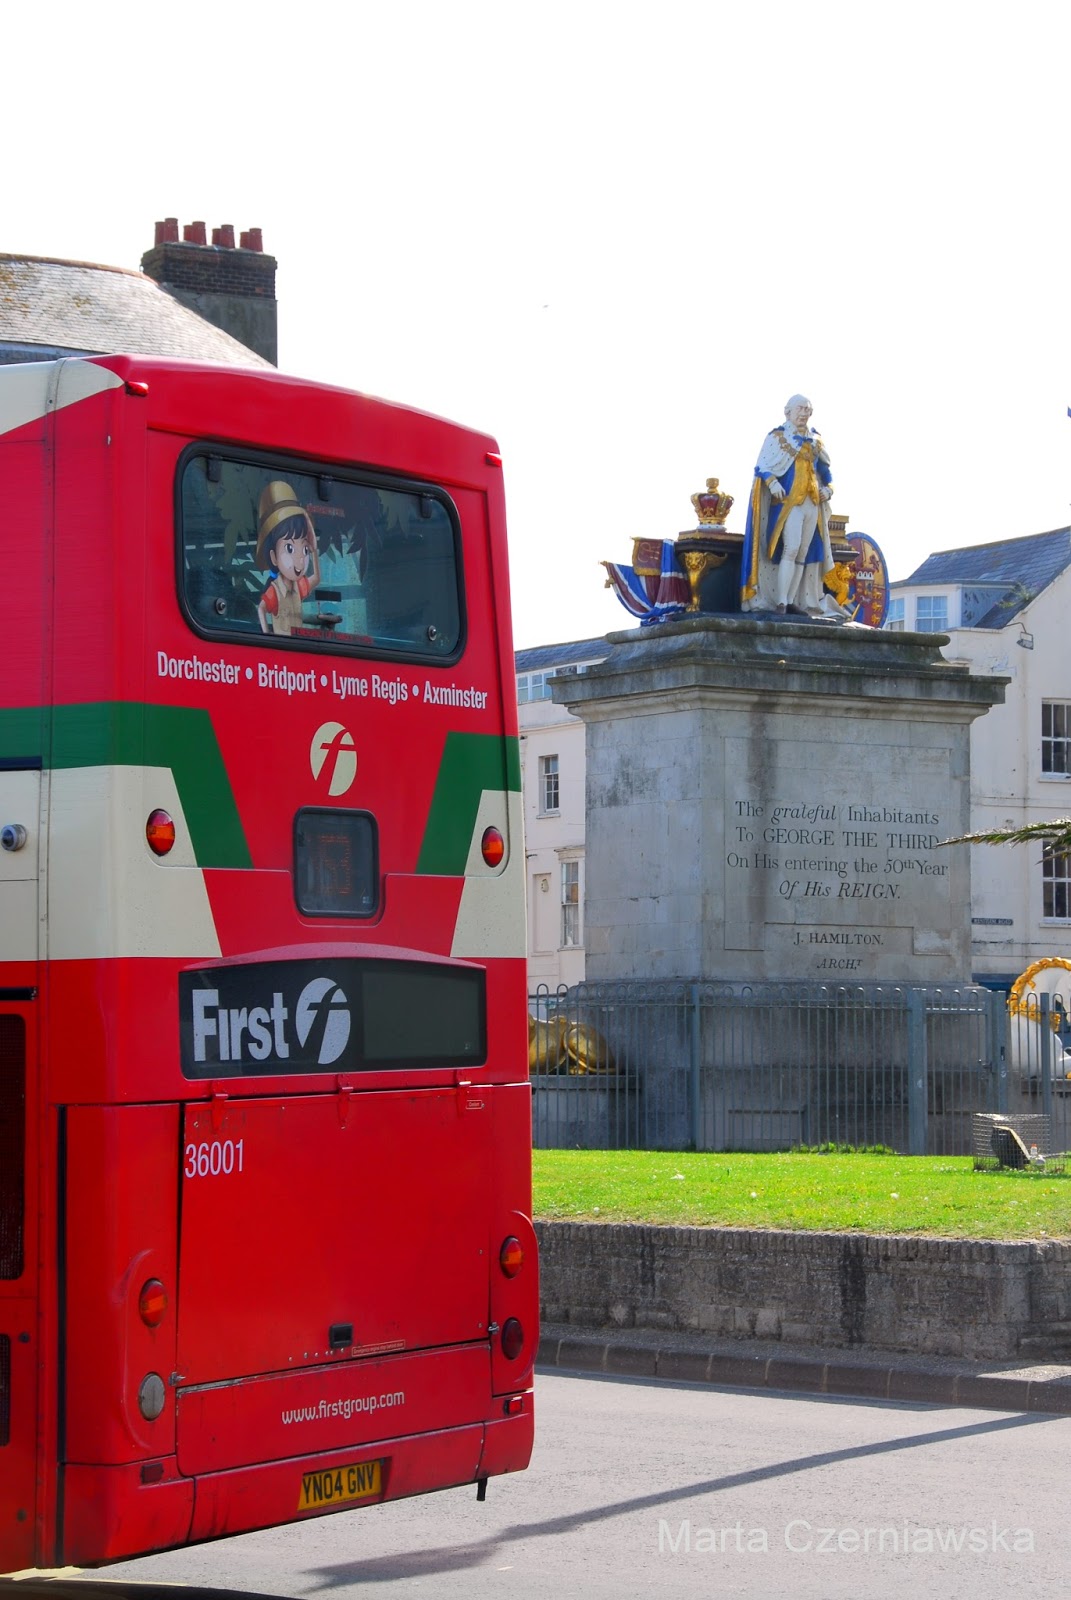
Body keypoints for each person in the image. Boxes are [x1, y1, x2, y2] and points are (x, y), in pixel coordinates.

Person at [741, 395, 841, 617]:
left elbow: (825, 471)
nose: (805, 413)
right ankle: (781, 601)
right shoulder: (777, 437)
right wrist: (772, 482)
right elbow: (762, 466)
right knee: (791, 549)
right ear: (788, 412)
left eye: (808, 410)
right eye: (800, 409)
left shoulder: (815, 439)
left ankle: (792, 600)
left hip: (812, 502)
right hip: (789, 502)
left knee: (802, 553)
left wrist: (829, 489)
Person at [255, 480, 322, 635]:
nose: (300, 558)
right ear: (274, 557)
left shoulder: (299, 586)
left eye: (304, 548)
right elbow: (261, 609)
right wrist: (267, 636)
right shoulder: (275, 590)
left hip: (298, 648)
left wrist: (313, 550)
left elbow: (317, 578)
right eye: (290, 548)